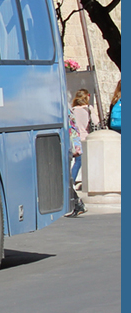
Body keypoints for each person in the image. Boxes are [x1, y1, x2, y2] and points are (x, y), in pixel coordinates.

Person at [66, 88, 91, 217]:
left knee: (65, 175)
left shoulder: (70, 109)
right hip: (76, 141)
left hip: (69, 143)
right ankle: (76, 203)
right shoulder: (70, 108)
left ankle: (76, 203)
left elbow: (72, 128)